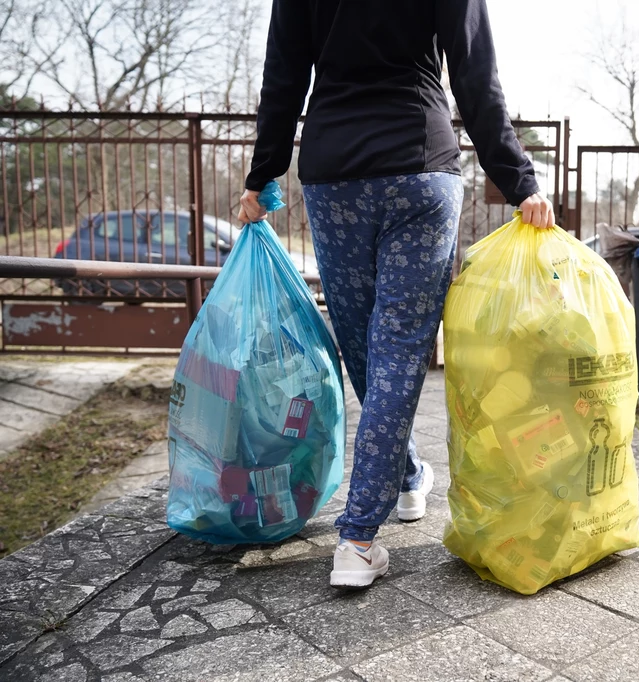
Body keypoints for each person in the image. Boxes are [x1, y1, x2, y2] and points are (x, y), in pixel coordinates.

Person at [238, 0, 554, 588]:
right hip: (418, 169)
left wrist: (263, 175)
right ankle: (365, 527)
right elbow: (474, 71)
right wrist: (519, 180)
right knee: (397, 351)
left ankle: (391, 497)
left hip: (336, 176)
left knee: (363, 346)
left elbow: (283, 74)